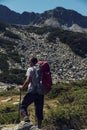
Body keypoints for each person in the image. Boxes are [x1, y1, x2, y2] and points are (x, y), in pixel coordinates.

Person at [19, 57, 44, 129]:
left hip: (32, 91)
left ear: (32, 62)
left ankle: (26, 118)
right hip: (40, 92)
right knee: (39, 110)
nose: (29, 64)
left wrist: (23, 87)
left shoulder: (31, 69)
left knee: (23, 106)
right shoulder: (41, 70)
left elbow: (28, 80)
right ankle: (39, 127)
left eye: (30, 62)